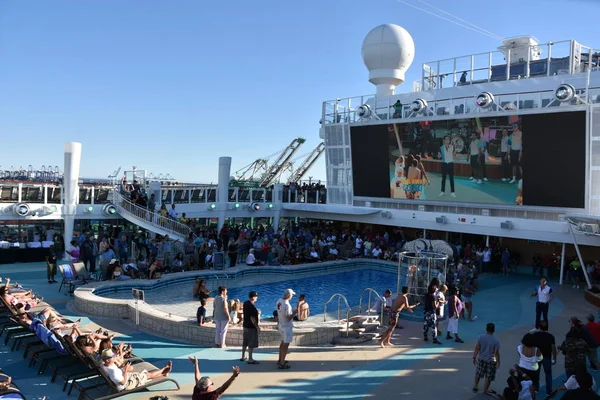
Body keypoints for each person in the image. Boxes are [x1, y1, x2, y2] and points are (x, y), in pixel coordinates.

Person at [100, 348, 172, 391]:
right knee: (147, 375)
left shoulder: (103, 365)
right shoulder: (114, 373)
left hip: (123, 376)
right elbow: (123, 382)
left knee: (138, 372)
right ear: (107, 360)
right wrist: (125, 370)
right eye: (112, 357)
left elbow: (115, 372)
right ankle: (164, 369)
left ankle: (163, 373)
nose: (114, 357)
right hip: (127, 384)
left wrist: (123, 368)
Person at [473, 322, 501, 395]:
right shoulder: (495, 341)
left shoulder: (480, 337)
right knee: (488, 376)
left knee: (478, 373)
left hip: (481, 358)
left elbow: (477, 348)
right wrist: (498, 362)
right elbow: (496, 353)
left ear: (486, 329)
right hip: (490, 360)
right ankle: (485, 391)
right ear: (493, 330)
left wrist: (474, 357)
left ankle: (475, 386)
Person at [533, 320, 557, 396]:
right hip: (547, 356)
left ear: (539, 327)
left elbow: (533, 346)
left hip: (537, 356)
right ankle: (549, 391)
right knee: (548, 374)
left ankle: (536, 388)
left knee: (536, 373)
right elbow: (553, 348)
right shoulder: (551, 336)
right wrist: (554, 358)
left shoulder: (535, 335)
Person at [275, 288, 296, 369]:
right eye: (292, 295)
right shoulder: (287, 305)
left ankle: (280, 359)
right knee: (285, 345)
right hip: (286, 326)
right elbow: (288, 318)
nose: (292, 296)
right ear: (289, 295)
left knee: (282, 343)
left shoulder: (279, 301)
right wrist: (294, 312)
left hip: (281, 324)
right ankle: (282, 363)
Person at [240, 291, 260, 364]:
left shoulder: (246, 303)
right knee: (251, 343)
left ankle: (243, 356)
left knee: (245, 342)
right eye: (256, 296)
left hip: (245, 325)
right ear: (253, 297)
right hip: (251, 327)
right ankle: (250, 359)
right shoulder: (252, 306)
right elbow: (252, 318)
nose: (257, 298)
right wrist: (257, 326)